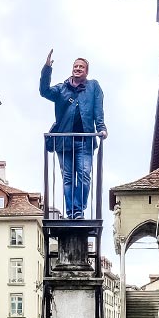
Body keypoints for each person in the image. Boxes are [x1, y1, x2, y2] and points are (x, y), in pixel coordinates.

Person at [39, 51, 107, 219]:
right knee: (68, 178)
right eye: (75, 66)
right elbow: (44, 90)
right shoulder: (62, 89)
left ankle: (78, 209)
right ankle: (71, 212)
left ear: (86, 71)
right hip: (63, 141)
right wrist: (47, 68)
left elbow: (98, 110)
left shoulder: (93, 87)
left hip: (85, 140)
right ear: (72, 69)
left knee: (84, 176)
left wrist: (101, 127)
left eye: (81, 67)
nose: (78, 69)